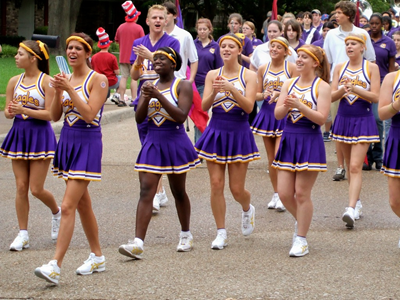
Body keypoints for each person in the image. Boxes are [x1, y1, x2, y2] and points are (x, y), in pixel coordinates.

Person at [34, 33, 108, 285]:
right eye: (69, 48)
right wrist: (56, 91)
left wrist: (69, 89)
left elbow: (88, 114)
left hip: (87, 142)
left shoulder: (97, 80)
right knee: (82, 204)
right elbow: (54, 115)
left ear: (88, 53)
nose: (72, 52)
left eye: (78, 48)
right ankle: (97, 256)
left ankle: (55, 265)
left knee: (67, 206)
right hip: (67, 141)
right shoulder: (64, 80)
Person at [118, 47, 200, 258]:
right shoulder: (149, 85)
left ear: (173, 64)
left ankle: (185, 234)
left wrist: (158, 96)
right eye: (155, 59)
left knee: (178, 190)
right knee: (146, 190)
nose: (157, 62)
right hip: (153, 140)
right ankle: (138, 243)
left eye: (162, 58)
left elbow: (181, 116)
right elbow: (139, 118)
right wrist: (145, 97)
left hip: (174, 140)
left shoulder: (183, 85)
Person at [195, 33, 259, 250]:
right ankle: (221, 232)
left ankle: (247, 208)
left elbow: (249, 107)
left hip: (239, 131)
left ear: (239, 51)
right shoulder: (213, 74)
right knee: (216, 184)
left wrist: (232, 89)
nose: (226, 49)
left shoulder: (249, 76)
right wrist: (214, 92)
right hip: (216, 130)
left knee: (236, 189)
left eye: (231, 46)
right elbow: (204, 107)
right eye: (223, 46)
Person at [0, 40, 60, 251]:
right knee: (21, 187)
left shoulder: (47, 82)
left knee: (36, 189)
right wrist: (11, 111)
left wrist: (24, 109)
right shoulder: (13, 81)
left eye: (20, 54)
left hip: (40, 136)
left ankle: (56, 212)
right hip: (19, 134)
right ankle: (23, 233)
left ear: (33, 58)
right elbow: (8, 112)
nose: (16, 57)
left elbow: (51, 115)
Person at [273, 44, 331, 256]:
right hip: (289, 138)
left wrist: (301, 106)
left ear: (315, 63)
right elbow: (278, 115)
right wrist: (288, 105)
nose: (298, 60)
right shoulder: (289, 83)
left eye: (304, 57)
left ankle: (301, 238)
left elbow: (322, 118)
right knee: (284, 193)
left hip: (309, 140)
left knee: (302, 193)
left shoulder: (322, 86)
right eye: (298, 56)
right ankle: (302, 225)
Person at [130, 4, 181, 213]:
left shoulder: (172, 42)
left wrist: (151, 55)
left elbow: (172, 66)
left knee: (160, 145)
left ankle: (156, 193)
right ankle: (157, 191)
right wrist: (140, 59)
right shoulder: (138, 43)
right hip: (145, 100)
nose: (159, 21)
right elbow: (134, 76)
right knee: (147, 145)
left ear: (167, 21)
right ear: (148, 21)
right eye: (155, 18)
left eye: (162, 17)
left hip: (166, 98)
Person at [330, 34, 380, 229]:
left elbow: (375, 96)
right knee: (350, 164)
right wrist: (343, 90)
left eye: (354, 44)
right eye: (347, 44)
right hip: (343, 119)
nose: (349, 46)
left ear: (362, 47)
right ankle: (356, 202)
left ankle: (350, 208)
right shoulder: (339, 68)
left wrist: (356, 89)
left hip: (363, 119)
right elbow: (332, 95)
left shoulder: (371, 68)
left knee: (355, 166)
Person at [324, 0, 375, 182]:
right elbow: (327, 61)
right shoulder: (330, 35)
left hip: (360, 84)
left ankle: (356, 163)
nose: (335, 15)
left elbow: (371, 59)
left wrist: (366, 84)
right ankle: (340, 166)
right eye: (335, 12)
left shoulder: (362, 33)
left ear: (348, 14)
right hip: (337, 84)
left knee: (360, 121)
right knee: (339, 126)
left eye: (339, 12)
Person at [251, 37, 298, 212]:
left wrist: (281, 94)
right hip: (267, 114)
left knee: (280, 156)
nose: (274, 49)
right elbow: (255, 95)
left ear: (287, 51)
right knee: (271, 159)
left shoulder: (292, 68)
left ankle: (286, 193)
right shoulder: (263, 68)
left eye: (279, 47)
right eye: (272, 46)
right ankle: (277, 193)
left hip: (284, 115)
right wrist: (264, 95)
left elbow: (298, 91)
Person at [364, 14, 396, 170]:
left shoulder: (389, 43)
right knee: (365, 119)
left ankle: (378, 155)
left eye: (377, 23)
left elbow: (391, 67)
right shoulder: (365, 41)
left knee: (377, 119)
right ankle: (367, 157)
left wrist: (392, 85)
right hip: (365, 85)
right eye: (372, 23)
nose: (374, 26)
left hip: (383, 83)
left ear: (382, 25)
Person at [378, 67, 400, 248]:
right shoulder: (392, 78)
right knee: (395, 201)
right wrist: (397, 104)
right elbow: (382, 113)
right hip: (397, 136)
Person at [194, 18, 223, 142]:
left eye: (204, 29)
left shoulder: (215, 46)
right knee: (195, 116)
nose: (202, 32)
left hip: (206, 84)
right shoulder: (193, 44)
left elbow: (219, 67)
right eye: (199, 29)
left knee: (201, 115)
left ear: (209, 30)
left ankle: (200, 146)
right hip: (192, 84)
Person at [114, 1, 145, 106]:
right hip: (135, 57)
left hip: (123, 56)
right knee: (134, 78)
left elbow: (117, 40)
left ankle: (121, 99)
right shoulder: (139, 28)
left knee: (124, 77)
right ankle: (134, 98)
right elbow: (143, 42)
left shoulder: (120, 27)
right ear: (135, 17)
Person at [91, 27, 121, 102]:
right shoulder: (112, 57)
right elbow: (117, 72)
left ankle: (102, 95)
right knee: (122, 78)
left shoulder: (94, 57)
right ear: (108, 45)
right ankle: (116, 95)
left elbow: (92, 69)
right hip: (111, 82)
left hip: (98, 81)